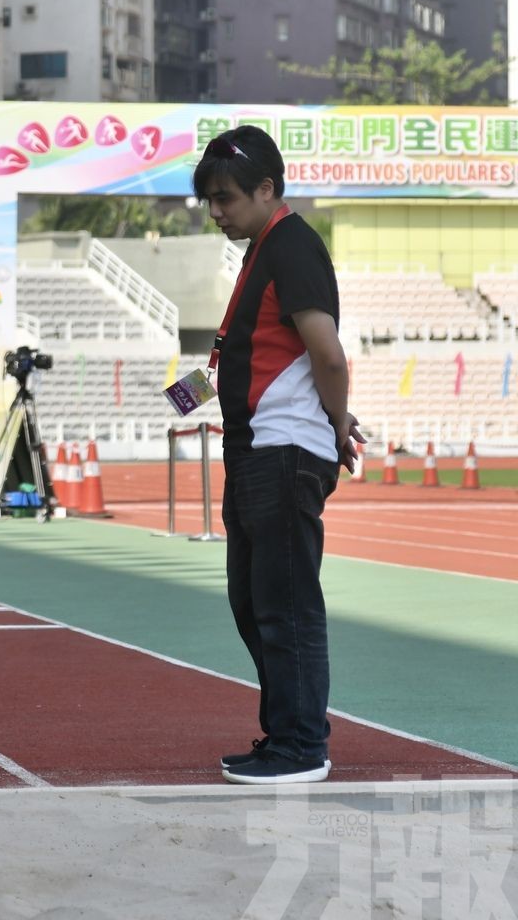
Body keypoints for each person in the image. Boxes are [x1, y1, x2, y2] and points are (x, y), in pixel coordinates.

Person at [193, 126, 362, 786]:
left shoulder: (292, 246)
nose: (216, 212)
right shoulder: (264, 249)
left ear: (268, 189)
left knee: (285, 603)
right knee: (252, 600)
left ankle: (301, 744)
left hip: (284, 448)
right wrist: (187, 395)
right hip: (259, 448)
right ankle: (286, 733)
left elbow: (327, 353)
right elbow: (245, 353)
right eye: (208, 200)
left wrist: (338, 420)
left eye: (225, 198)